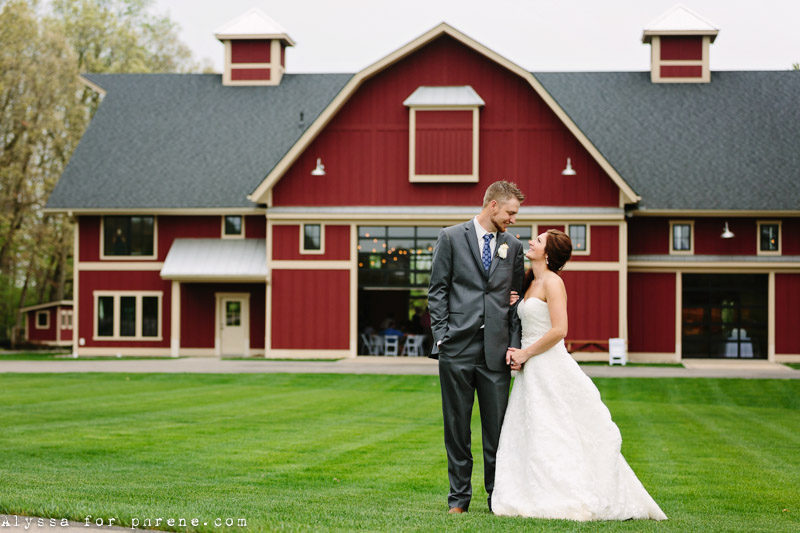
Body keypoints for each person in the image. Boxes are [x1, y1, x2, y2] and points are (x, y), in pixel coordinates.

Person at [492, 230, 667, 521]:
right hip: (531, 370)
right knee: (534, 428)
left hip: (548, 365)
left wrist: (526, 353)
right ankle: (532, 491)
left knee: (557, 428)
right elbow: (527, 321)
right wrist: (514, 305)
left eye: (539, 241)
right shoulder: (530, 282)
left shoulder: (553, 282)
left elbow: (560, 330)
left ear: (547, 254)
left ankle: (569, 493)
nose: (532, 242)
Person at [427, 180, 526, 514]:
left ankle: (496, 498)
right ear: (493, 206)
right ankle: (458, 500)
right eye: (511, 212)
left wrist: (513, 345)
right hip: (456, 348)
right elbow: (437, 290)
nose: (514, 219)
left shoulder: (513, 247)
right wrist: (442, 334)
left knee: (497, 431)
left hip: (496, 352)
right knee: (457, 427)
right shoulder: (451, 237)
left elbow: (515, 302)